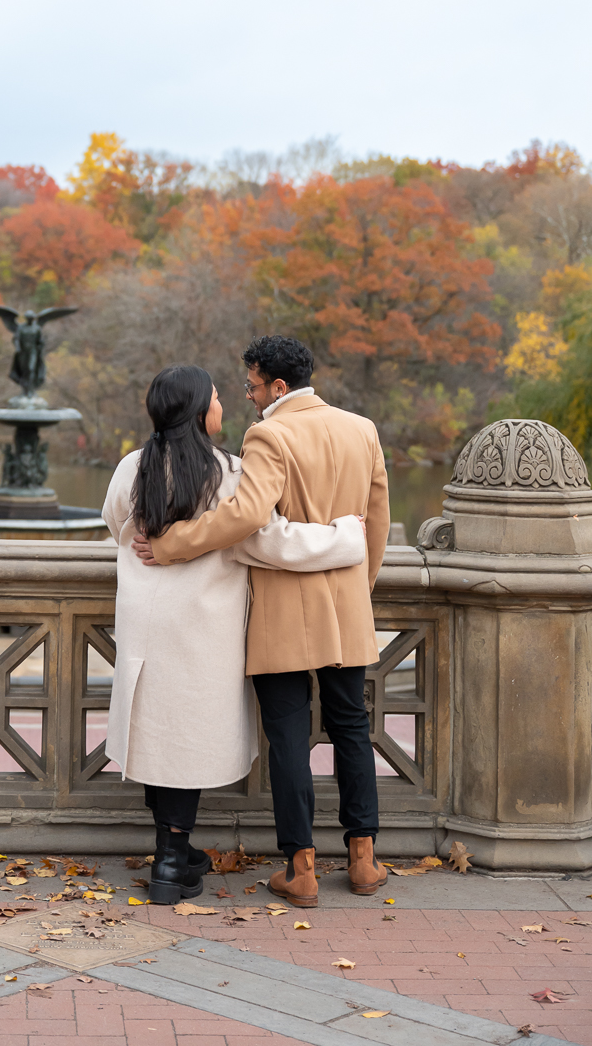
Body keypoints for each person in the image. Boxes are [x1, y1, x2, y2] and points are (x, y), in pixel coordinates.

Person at [132, 336, 391, 907]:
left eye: (251, 385)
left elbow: (247, 517)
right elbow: (377, 524)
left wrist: (173, 545)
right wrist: (357, 591)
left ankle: (302, 871)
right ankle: (365, 861)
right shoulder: (362, 428)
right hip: (349, 607)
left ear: (278, 386)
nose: (247, 397)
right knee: (353, 728)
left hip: (282, 611)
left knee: (290, 740)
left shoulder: (268, 434)